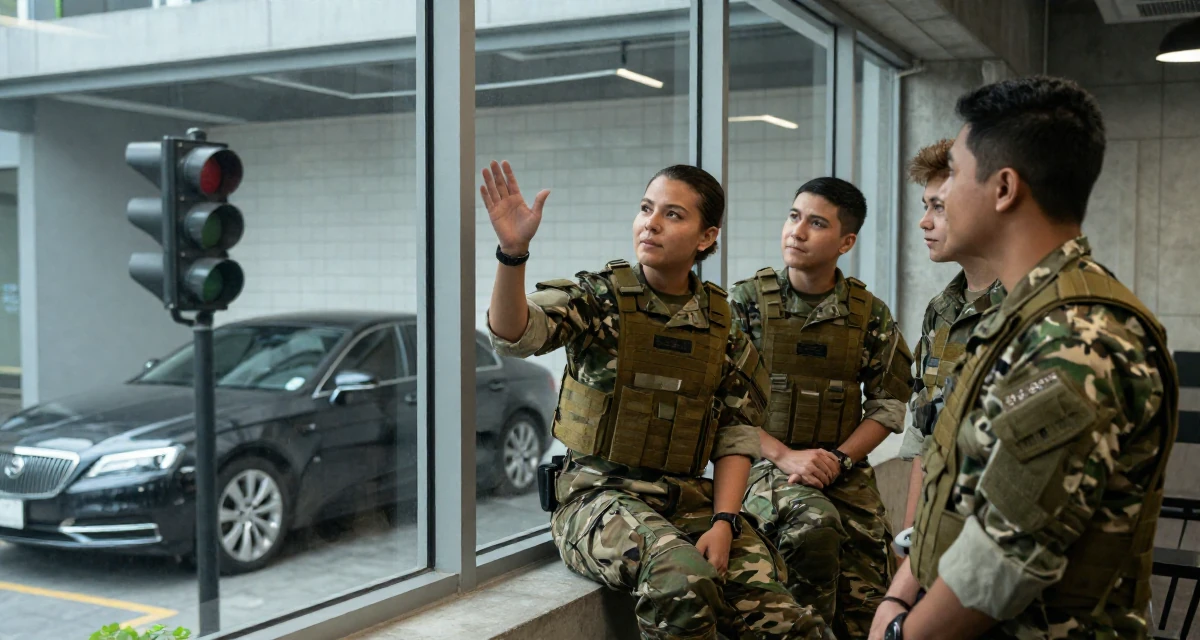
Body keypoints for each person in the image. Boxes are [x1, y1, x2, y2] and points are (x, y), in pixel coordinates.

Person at [870, 75, 1179, 640]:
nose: (932, 209)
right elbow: (956, 483)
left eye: (957, 176)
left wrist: (900, 633)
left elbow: (1005, 555)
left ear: (1004, 188)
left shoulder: (1076, 340)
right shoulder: (1015, 316)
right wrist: (896, 598)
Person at [483, 159, 831, 640]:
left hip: (688, 501)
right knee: (680, 579)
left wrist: (725, 521)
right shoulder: (598, 299)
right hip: (595, 499)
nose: (651, 222)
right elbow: (514, 334)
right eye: (646, 208)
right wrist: (512, 253)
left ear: (706, 237)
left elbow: (736, 433)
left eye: (673, 214)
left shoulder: (722, 325)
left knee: (789, 621)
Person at [729, 177, 914, 639]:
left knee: (872, 587)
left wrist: (840, 459)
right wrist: (785, 455)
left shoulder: (869, 313)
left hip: (842, 468)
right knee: (814, 527)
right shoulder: (747, 303)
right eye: (794, 217)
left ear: (846, 241)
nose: (797, 231)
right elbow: (719, 403)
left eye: (816, 223)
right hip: (763, 465)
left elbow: (889, 404)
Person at [896, 139, 1005, 534]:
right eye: (925, 207)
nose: (924, 222)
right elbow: (926, 442)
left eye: (938, 207)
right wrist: (910, 540)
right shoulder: (942, 310)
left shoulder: (1026, 308)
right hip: (938, 532)